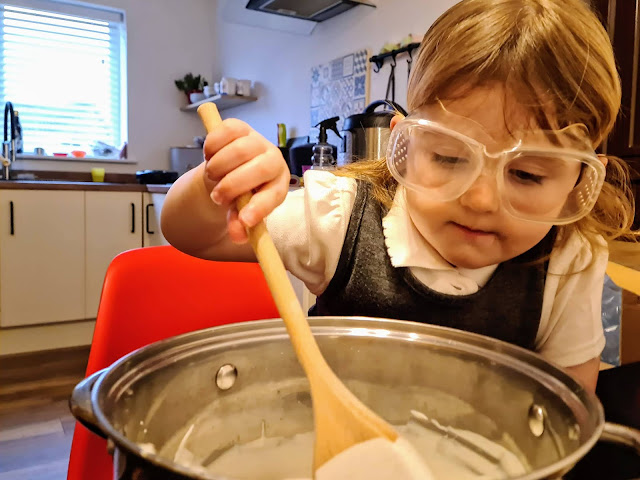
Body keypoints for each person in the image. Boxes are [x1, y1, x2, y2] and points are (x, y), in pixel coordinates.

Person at [161, 0, 639, 392]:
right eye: (450, 158)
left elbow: (565, 402)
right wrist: (213, 185)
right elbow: (190, 236)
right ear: (406, 148)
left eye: (529, 175)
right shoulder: (339, 215)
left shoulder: (570, 258)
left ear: (578, 181)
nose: (480, 199)